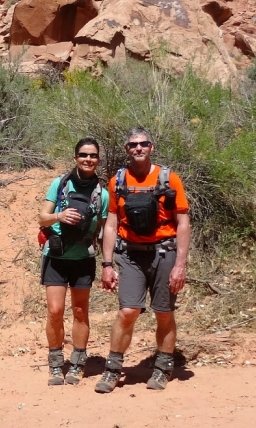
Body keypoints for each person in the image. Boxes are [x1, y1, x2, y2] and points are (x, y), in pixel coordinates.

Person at [95, 127, 190, 393]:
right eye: (133, 145)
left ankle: (162, 368)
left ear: (152, 147)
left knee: (163, 312)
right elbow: (111, 224)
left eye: (143, 144)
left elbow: (183, 222)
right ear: (126, 149)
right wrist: (106, 263)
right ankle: (113, 368)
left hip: (164, 252)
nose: (138, 148)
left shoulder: (169, 178)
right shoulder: (118, 181)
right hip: (130, 254)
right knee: (128, 311)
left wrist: (180, 264)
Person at [37, 137, 110, 386]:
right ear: (75, 157)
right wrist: (60, 214)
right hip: (56, 257)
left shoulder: (102, 194)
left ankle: (78, 362)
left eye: (93, 156)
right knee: (55, 311)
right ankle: (56, 362)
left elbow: (102, 230)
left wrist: (108, 263)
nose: (88, 159)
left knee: (80, 311)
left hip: (82, 258)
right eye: (83, 155)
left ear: (98, 160)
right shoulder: (59, 184)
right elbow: (41, 217)